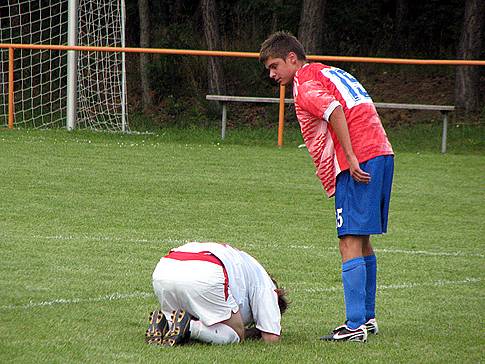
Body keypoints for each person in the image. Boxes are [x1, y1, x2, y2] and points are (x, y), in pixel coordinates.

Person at [259, 32, 394, 343]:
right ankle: (367, 318)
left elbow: (333, 110)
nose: (272, 74)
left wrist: (350, 157)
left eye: (275, 66)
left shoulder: (305, 84)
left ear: (293, 58)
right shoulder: (328, 71)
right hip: (381, 151)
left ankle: (354, 324)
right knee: (362, 241)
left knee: (348, 241)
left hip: (359, 160)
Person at [145, 241, 288, 346]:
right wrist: (255, 331)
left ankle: (166, 325)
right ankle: (190, 327)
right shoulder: (267, 286)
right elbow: (271, 338)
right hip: (207, 271)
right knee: (237, 333)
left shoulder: (247, 264)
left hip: (165, 268)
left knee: (183, 316)